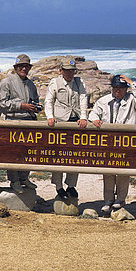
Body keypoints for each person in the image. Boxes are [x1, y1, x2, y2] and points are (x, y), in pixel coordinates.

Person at [89, 74, 136, 213]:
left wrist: (130, 81)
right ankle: (108, 200)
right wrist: (95, 120)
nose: (117, 90)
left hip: (126, 142)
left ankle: (120, 199)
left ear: (126, 89)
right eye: (115, 88)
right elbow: (94, 113)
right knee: (108, 172)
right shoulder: (104, 100)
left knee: (123, 172)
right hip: (108, 142)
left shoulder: (133, 101)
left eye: (120, 88)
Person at [44, 59, 88, 199]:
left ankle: (71, 185)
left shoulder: (79, 82)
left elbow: (83, 99)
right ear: (60, 70)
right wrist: (50, 116)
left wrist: (84, 117)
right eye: (67, 70)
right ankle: (58, 187)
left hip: (75, 121)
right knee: (58, 156)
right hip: (60, 122)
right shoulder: (55, 82)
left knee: (75, 156)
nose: (70, 73)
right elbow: (49, 101)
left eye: (72, 70)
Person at [0, 54, 39, 194]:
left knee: (28, 152)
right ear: (15, 67)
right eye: (21, 66)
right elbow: (1, 103)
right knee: (13, 153)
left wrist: (36, 107)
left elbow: (35, 101)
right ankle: (14, 181)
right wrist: (21, 106)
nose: (23, 68)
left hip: (29, 122)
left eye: (26, 66)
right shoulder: (6, 82)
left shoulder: (31, 84)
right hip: (13, 122)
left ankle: (24, 178)